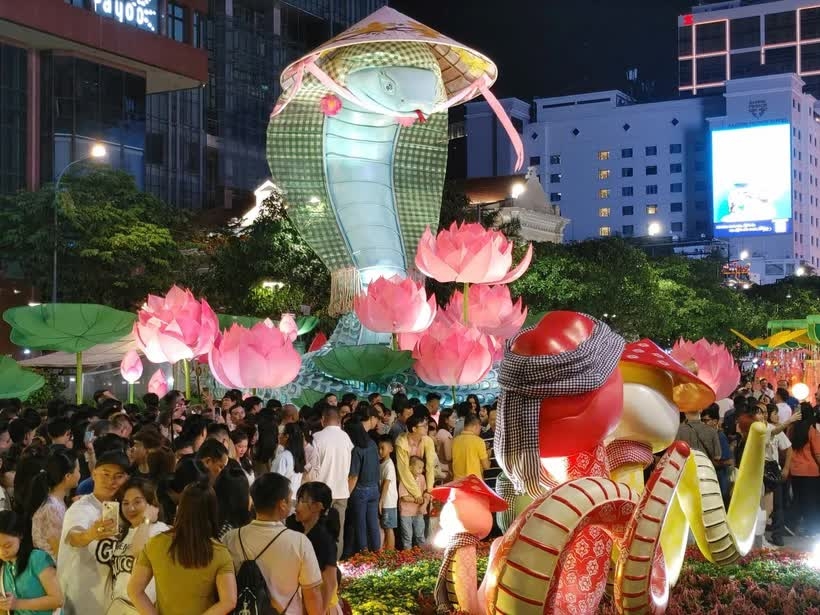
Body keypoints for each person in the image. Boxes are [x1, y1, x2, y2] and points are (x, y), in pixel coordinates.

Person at [128, 481, 237, 615]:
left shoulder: (155, 543)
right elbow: (229, 601)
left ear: (180, 508)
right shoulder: (219, 552)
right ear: (212, 511)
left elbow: (134, 590)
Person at [222, 473, 323, 615]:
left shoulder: (230, 538)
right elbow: (312, 594)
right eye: (290, 499)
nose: (292, 504)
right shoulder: (299, 542)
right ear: (282, 504)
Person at [57, 450, 130, 614]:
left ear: (127, 479)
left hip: (112, 601)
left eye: (118, 476)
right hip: (81, 601)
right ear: (94, 474)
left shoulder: (126, 510)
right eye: (105, 474)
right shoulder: (81, 508)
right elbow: (75, 537)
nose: (111, 481)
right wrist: (91, 534)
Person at [97, 478, 170, 615]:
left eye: (137, 502)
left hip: (142, 608)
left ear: (150, 503)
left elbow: (139, 552)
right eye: (125, 503)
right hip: (118, 607)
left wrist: (146, 520)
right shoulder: (123, 532)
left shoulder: (159, 530)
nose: (131, 508)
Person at [288, 482, 343, 614]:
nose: (297, 506)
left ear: (317, 506)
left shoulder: (323, 539)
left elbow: (330, 583)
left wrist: (320, 611)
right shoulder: (300, 532)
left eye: (302, 501)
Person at [0, 510, 63, 614]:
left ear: (20, 536)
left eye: (7, 545)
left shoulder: (37, 558)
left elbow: (58, 599)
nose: (2, 552)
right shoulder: (4, 568)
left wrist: (17, 604)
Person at [311, 406, 353, 559]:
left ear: (323, 420)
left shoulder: (317, 437)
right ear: (339, 420)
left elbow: (314, 468)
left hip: (322, 492)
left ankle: (322, 564)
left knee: (321, 529)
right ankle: (334, 565)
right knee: (337, 531)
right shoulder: (346, 438)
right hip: (342, 491)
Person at [27, 448, 80, 558]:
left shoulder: (56, 502)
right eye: (78, 471)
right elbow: (59, 550)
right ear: (68, 476)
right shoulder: (51, 508)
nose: (80, 474)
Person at [345, 420, 381, 556]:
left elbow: (353, 477)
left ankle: (364, 552)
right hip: (374, 489)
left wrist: (347, 494)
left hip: (360, 491)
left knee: (360, 523)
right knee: (373, 522)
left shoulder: (357, 450)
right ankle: (377, 552)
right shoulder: (372, 444)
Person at [787, 403, 820, 537]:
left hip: (795, 471)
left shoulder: (792, 429)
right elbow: (818, 453)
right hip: (811, 472)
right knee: (811, 502)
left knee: (798, 499)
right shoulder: (811, 429)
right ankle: (811, 529)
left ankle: (791, 525)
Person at [271, 423, 307, 507]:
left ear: (286, 436)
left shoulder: (284, 457)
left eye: (281, 433)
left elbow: (275, 480)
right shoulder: (298, 456)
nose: (279, 436)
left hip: (282, 500)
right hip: (294, 498)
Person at [398, 457, 429, 549]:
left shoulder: (422, 478)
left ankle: (424, 557)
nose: (421, 470)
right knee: (407, 537)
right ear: (410, 467)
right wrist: (417, 500)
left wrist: (424, 501)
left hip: (418, 511)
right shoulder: (405, 479)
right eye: (418, 467)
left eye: (422, 468)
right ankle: (408, 558)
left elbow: (425, 492)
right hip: (406, 512)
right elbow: (404, 497)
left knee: (420, 535)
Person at [451, 414, 490, 480]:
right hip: (474, 483)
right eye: (480, 428)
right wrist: (488, 454)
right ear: (476, 426)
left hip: (458, 482)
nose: (480, 431)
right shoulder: (479, 441)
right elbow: (486, 466)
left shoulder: (455, 441)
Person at [377, 436, 398, 551]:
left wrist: (381, 501)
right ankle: (387, 550)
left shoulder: (389, 465)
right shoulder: (382, 464)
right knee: (385, 527)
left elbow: (386, 484)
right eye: (379, 448)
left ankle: (390, 552)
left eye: (382, 448)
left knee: (389, 528)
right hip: (385, 501)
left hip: (388, 502)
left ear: (390, 449)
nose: (380, 451)